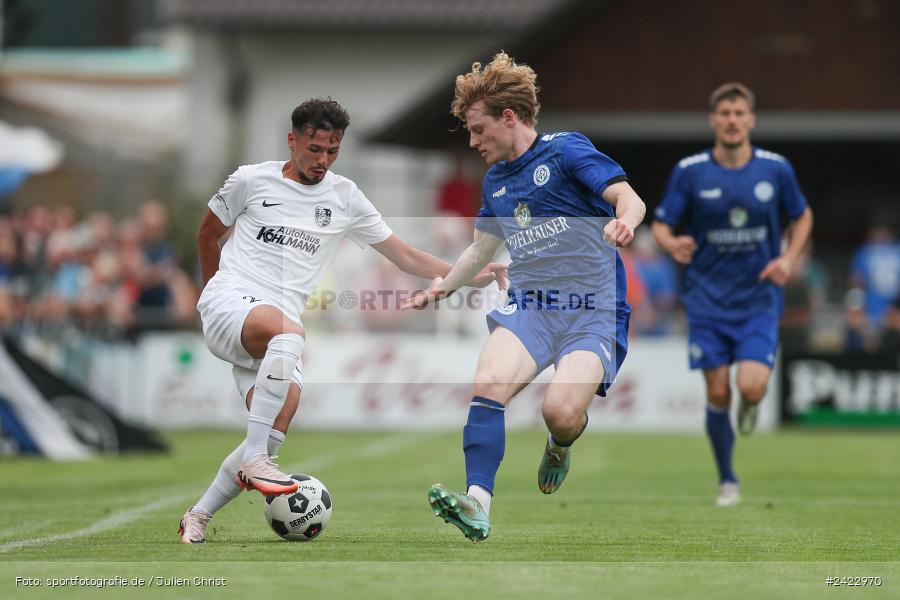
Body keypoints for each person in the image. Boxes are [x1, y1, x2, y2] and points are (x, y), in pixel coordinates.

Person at [178, 98, 508, 544]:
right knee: (289, 334)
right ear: (292, 141)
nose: (323, 160)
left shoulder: (345, 197)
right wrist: (212, 292)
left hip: (276, 332)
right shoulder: (250, 180)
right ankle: (255, 459)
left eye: (332, 151)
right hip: (231, 303)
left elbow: (406, 255)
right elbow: (207, 233)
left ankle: (198, 515)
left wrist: (469, 274)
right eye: (314, 149)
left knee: (276, 426)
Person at [404, 52, 646, 542]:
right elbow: (480, 250)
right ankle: (478, 504)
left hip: (591, 311)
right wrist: (442, 287)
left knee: (559, 412)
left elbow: (629, 197)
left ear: (508, 118)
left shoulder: (566, 151)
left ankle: (560, 443)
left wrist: (626, 222)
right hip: (531, 306)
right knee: (489, 382)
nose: (473, 142)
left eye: (477, 130)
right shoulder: (495, 182)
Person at [652, 82, 813, 507]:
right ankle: (727, 479)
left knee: (753, 387)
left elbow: (803, 215)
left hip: (758, 298)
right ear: (713, 121)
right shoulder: (690, 172)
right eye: (724, 113)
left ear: (751, 120)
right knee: (719, 392)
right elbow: (662, 224)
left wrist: (789, 259)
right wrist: (671, 245)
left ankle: (750, 406)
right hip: (706, 299)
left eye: (739, 113)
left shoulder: (776, 170)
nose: (732, 120)